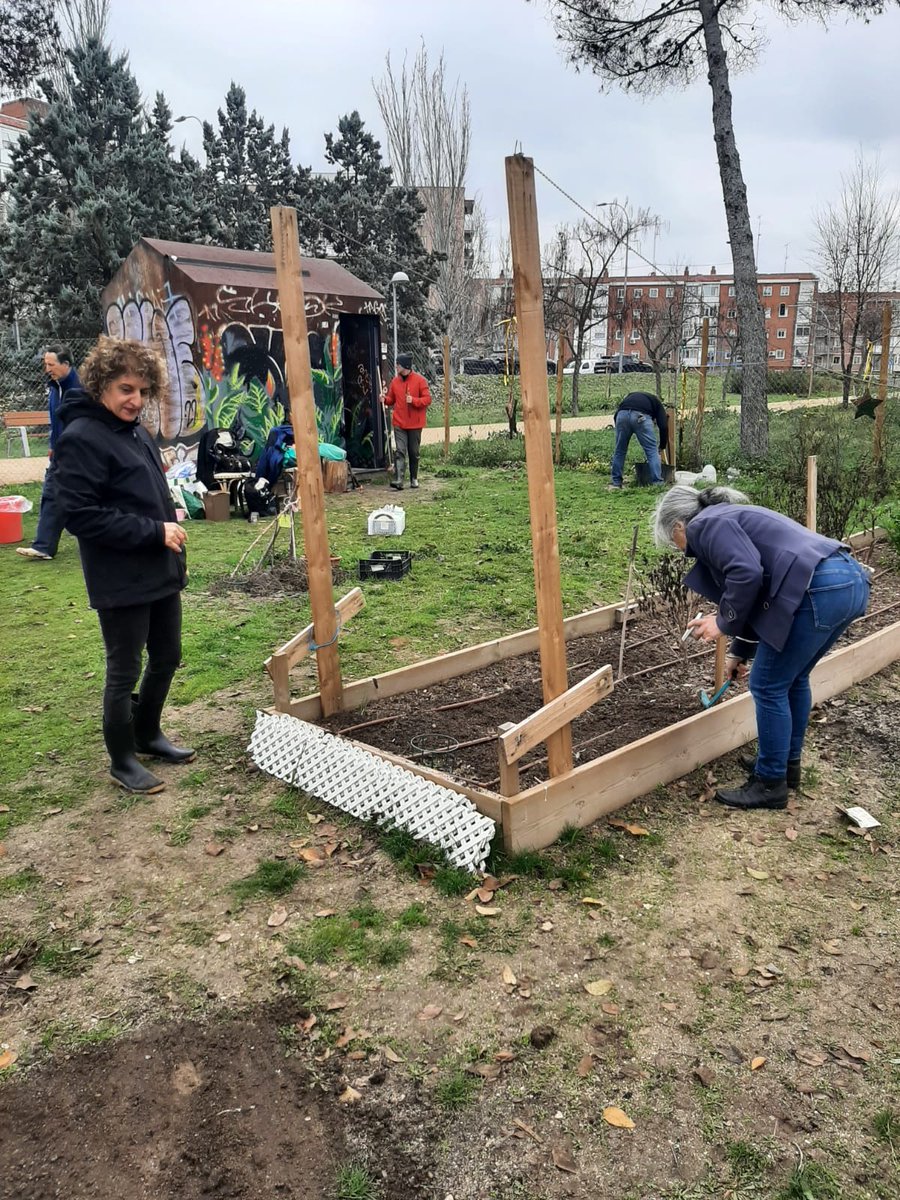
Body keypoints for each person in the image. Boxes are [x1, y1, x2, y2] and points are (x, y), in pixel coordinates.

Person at [652, 485, 870, 811]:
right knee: (792, 679)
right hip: (846, 581)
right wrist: (738, 651)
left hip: (820, 588)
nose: (680, 549)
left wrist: (721, 622)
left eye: (674, 541)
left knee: (767, 685)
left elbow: (747, 573)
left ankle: (769, 784)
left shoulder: (705, 525)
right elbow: (760, 596)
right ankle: (785, 767)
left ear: (679, 526)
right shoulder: (724, 518)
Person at [54, 337, 194, 795]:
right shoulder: (81, 437)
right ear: (101, 386)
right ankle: (122, 760)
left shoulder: (137, 432)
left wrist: (169, 532)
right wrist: (154, 532)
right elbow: (79, 515)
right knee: (124, 670)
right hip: (120, 578)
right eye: (126, 389)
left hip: (159, 570)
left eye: (143, 391)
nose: (135, 400)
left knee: (167, 655)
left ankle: (147, 733)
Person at [16, 345, 82, 560]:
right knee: (52, 491)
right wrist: (53, 445)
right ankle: (44, 546)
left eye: (51, 364)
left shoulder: (81, 387)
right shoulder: (55, 387)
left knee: (88, 493)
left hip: (80, 452)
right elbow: (56, 421)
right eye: (46, 364)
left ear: (66, 364)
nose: (47, 369)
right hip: (61, 452)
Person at [382, 352, 431, 490]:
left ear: (406, 366)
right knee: (400, 451)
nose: (396, 366)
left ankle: (414, 478)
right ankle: (399, 480)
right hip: (399, 423)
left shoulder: (420, 381)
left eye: (398, 364)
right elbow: (391, 399)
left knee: (414, 452)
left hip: (415, 423)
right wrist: (384, 399)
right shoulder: (395, 381)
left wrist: (414, 400)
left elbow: (427, 399)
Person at [609, 390, 668, 490]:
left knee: (620, 450)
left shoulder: (630, 397)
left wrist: (621, 429)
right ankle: (657, 484)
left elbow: (616, 415)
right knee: (652, 451)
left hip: (621, 416)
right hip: (641, 417)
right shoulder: (657, 403)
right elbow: (663, 426)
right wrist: (662, 446)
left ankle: (616, 483)